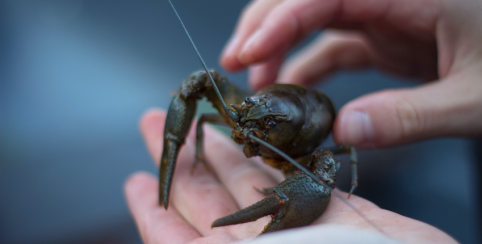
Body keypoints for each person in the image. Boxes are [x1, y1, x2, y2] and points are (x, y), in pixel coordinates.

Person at [125, 0, 482, 243]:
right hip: (280, 103)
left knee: (323, 170)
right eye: (246, 111)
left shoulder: (310, 154)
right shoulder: (249, 110)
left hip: (306, 130)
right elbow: (199, 87)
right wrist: (183, 142)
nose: (243, 130)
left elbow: (333, 162)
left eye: (261, 129)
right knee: (203, 80)